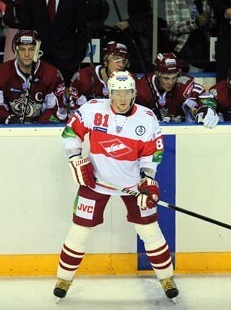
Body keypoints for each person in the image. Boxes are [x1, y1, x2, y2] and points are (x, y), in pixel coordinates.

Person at [53, 70, 179, 302]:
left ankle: (166, 278)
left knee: (149, 230)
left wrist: (147, 179)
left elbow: (152, 154)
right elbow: (70, 132)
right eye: (117, 93)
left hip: (132, 185)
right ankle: (63, 278)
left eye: (127, 93)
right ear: (109, 93)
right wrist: (74, 158)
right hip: (96, 182)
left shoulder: (147, 117)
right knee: (79, 231)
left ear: (134, 93)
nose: (122, 99)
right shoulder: (92, 109)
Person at [18, 0, 88, 82]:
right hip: (38, 60)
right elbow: (25, 28)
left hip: (67, 62)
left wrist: (77, 57)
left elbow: (83, 29)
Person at [0, 30, 68, 124]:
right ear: (16, 51)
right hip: (9, 130)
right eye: (22, 49)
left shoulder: (51, 74)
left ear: (38, 50)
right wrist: (8, 120)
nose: (27, 54)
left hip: (41, 130)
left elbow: (58, 110)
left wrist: (37, 126)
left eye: (31, 49)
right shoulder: (0, 73)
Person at [135, 52, 219, 127]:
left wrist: (206, 108)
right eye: (166, 78)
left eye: (174, 78)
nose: (170, 82)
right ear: (157, 74)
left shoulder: (182, 83)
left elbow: (206, 95)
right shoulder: (142, 88)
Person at [165, 0, 213, 72]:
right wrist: (196, 23)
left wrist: (210, 20)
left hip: (205, 44)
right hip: (183, 45)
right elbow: (173, 27)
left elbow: (212, 22)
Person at [68, 41, 128, 111]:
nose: (121, 65)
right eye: (116, 59)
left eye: (124, 61)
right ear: (105, 61)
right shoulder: (83, 78)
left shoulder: (129, 80)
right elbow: (75, 113)